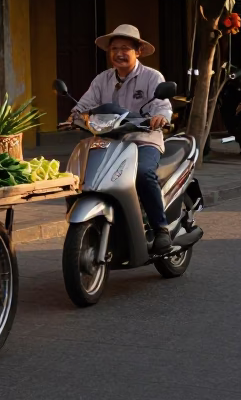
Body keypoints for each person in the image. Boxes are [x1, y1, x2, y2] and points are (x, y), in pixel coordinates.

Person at [71, 25, 174, 253]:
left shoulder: (151, 77)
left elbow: (162, 106)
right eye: (114, 48)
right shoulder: (102, 80)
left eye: (125, 48)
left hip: (143, 138)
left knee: (143, 173)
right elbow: (85, 104)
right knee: (85, 175)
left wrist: (160, 117)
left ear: (138, 51)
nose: (118, 53)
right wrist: (73, 115)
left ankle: (161, 228)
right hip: (111, 139)